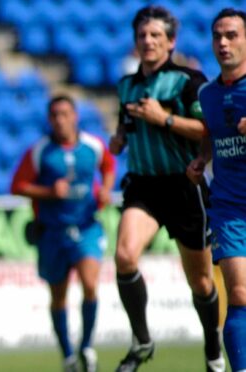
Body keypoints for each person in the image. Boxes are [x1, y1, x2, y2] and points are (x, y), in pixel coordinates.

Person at [109, 5, 225, 372]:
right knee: (125, 256)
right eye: (142, 35)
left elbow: (208, 131)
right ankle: (142, 339)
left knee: (202, 283)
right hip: (144, 187)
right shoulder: (127, 84)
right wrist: (118, 139)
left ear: (171, 42)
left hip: (184, 186)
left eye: (156, 35)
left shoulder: (189, 81)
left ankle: (212, 351)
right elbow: (126, 128)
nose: (148, 41)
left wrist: (166, 118)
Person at [11, 95, 116, 372]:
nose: (60, 119)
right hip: (53, 233)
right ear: (49, 119)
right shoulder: (40, 152)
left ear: (75, 116)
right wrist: (48, 192)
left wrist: (105, 188)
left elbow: (109, 165)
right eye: (55, 115)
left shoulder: (92, 146)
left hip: (87, 227)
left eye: (65, 113)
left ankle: (87, 347)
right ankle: (68, 355)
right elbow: (18, 185)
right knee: (59, 297)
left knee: (90, 285)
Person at [187, 8, 246, 372]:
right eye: (217, 36)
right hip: (229, 207)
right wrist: (201, 159)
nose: (223, 43)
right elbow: (210, 135)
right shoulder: (207, 93)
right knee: (239, 293)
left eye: (232, 35)